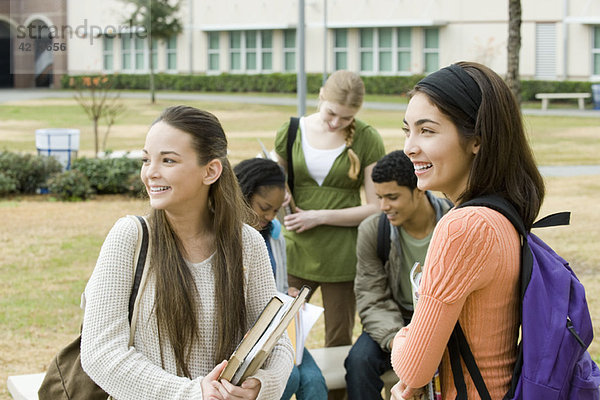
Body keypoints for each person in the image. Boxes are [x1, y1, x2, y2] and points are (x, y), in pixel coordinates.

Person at [80, 105, 294, 400]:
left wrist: (262, 386)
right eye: (146, 159)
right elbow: (100, 352)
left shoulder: (248, 243)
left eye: (168, 160)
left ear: (211, 171)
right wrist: (192, 394)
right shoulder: (130, 237)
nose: (151, 173)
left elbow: (276, 340)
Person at [390, 62, 545, 400]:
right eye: (407, 130)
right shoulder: (501, 214)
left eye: (427, 131)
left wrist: (405, 336)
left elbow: (413, 366)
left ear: (476, 138)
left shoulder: (464, 227)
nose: (409, 147)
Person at [274, 70, 386, 351]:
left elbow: (376, 207)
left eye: (347, 118)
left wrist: (319, 216)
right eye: (331, 114)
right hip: (296, 250)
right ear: (321, 95)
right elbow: (273, 187)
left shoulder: (367, 138)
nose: (337, 123)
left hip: (343, 256)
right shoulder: (290, 131)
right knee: (281, 336)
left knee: (338, 342)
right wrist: (280, 192)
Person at [344, 150, 452, 400]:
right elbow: (371, 295)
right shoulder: (373, 229)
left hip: (442, 320)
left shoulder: (453, 222)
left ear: (419, 189)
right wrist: (396, 341)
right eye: (379, 197)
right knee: (359, 362)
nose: (384, 207)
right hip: (395, 319)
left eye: (392, 197)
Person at [234, 157, 328, 400]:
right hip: (244, 337)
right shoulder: (226, 238)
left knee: (315, 383)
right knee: (290, 379)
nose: (269, 217)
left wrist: (291, 295)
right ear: (242, 195)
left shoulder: (274, 236)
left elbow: (280, 286)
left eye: (275, 210)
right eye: (264, 208)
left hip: (275, 332)